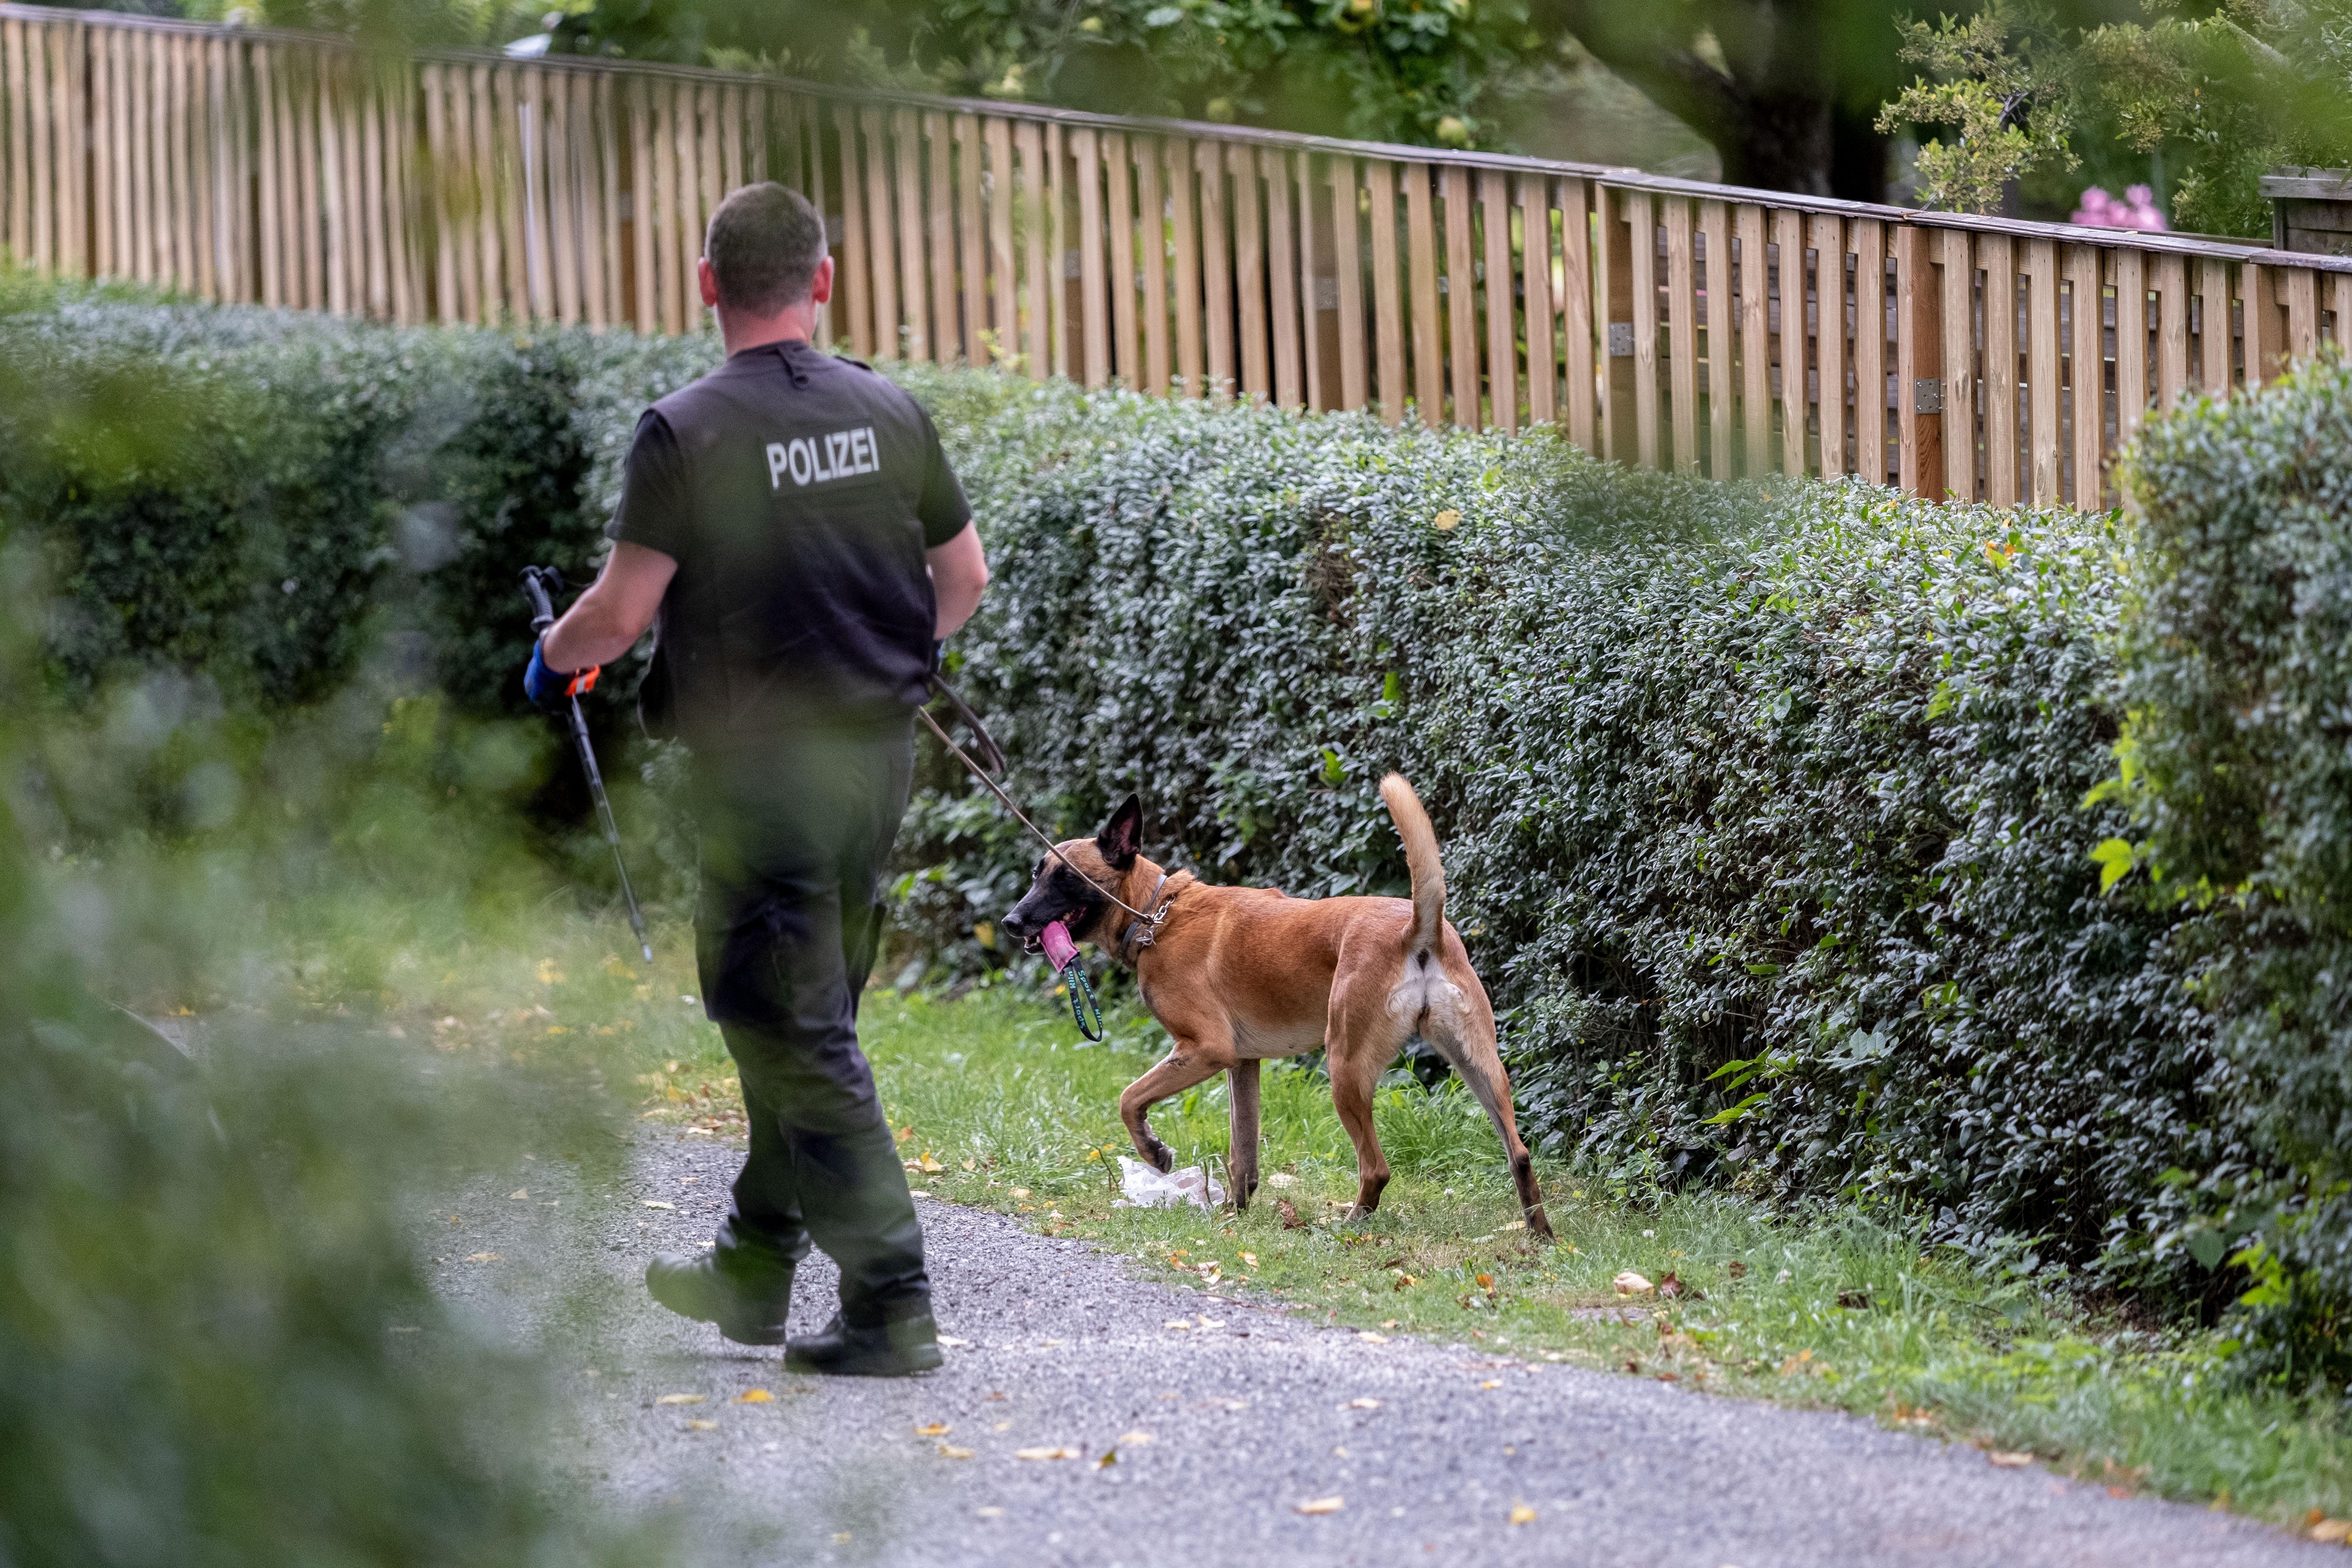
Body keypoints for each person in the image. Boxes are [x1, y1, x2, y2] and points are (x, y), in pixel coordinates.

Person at [526, 182, 989, 1377]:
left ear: (706, 284)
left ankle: (892, 1302)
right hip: (877, 765)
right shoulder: (891, 411)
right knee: (807, 1015)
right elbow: (966, 578)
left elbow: (619, 616)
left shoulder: (687, 431)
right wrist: (892, 659)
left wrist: (551, 660)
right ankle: (753, 1263)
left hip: (763, 778)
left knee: (787, 1021)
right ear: (824, 280)